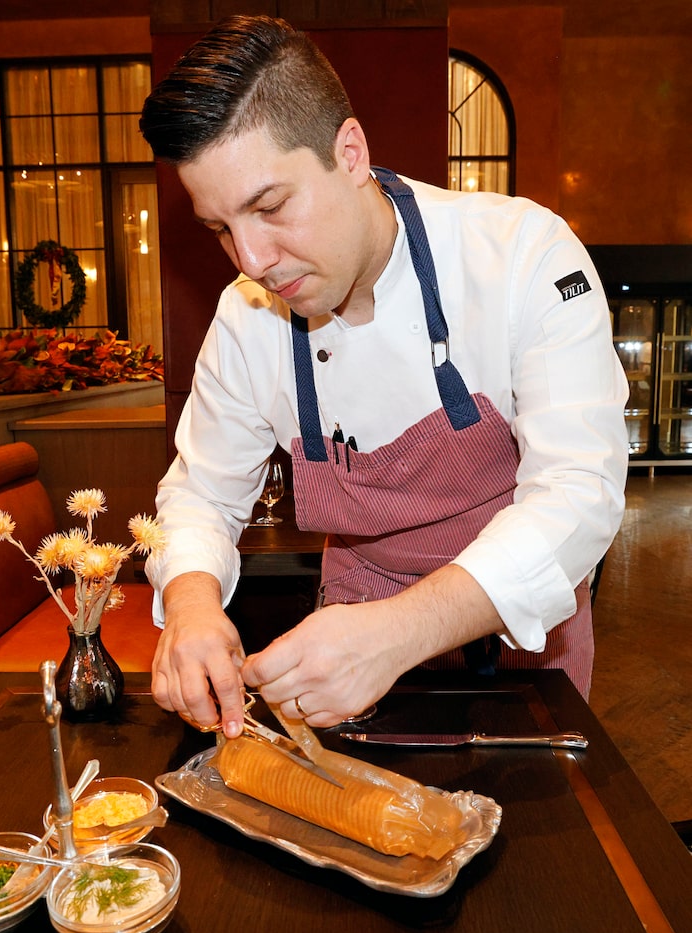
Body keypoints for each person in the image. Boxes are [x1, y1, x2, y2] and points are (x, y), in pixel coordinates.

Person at [138, 14, 628, 739]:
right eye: (219, 228)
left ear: (351, 152)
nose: (251, 260)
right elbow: (202, 492)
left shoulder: (524, 255)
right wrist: (189, 605)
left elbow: (579, 498)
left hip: (524, 632)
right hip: (351, 631)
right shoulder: (246, 319)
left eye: (270, 208)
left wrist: (398, 634)